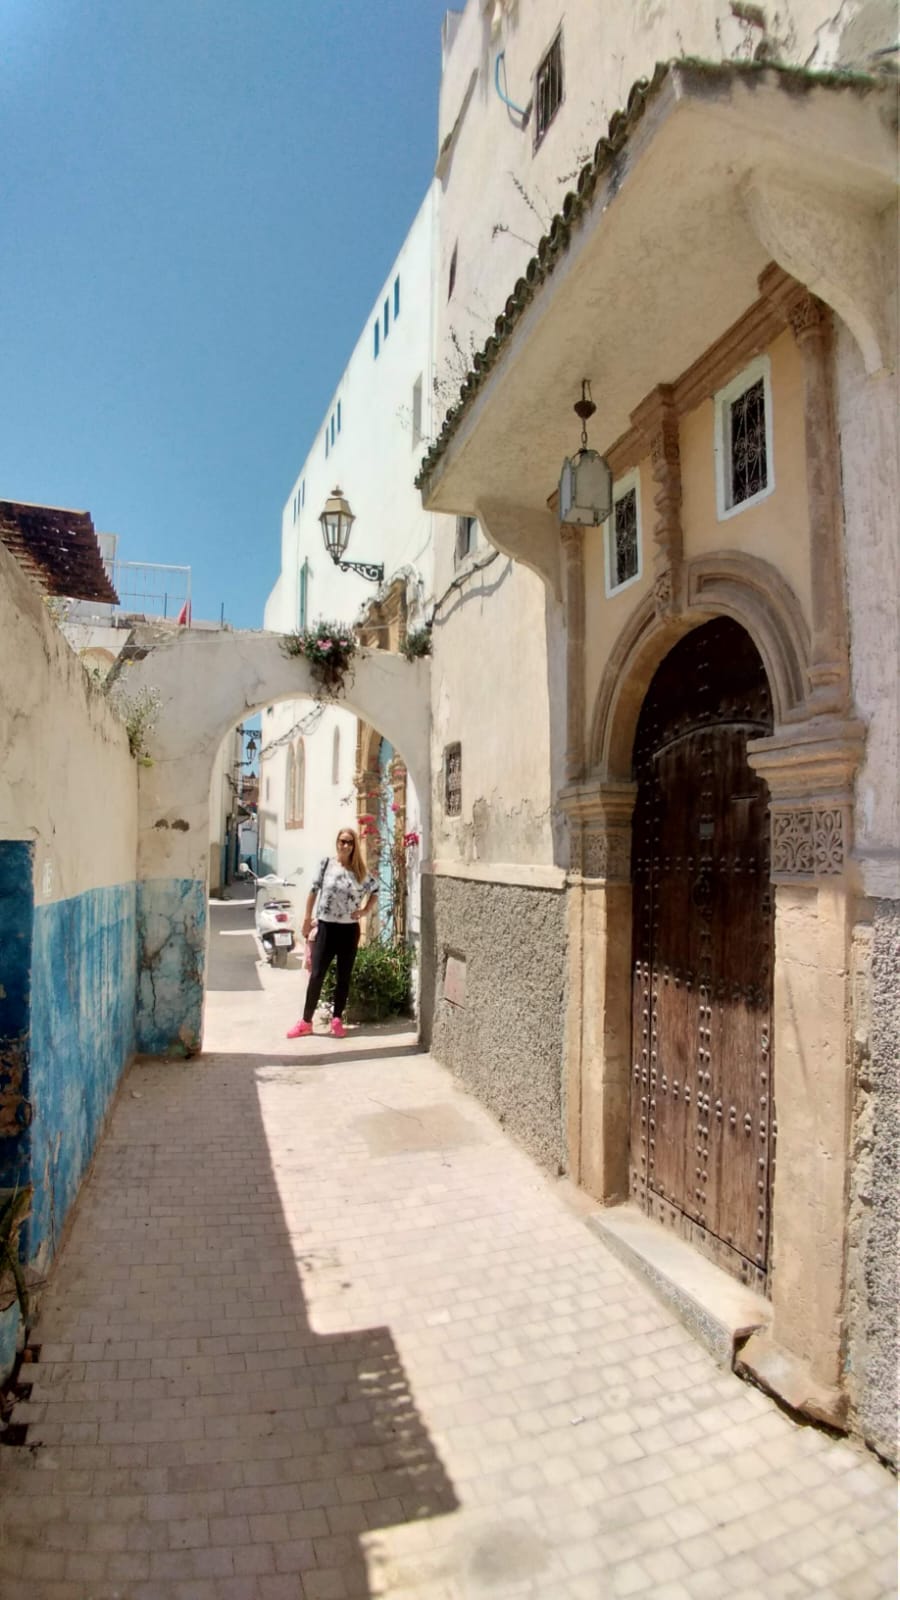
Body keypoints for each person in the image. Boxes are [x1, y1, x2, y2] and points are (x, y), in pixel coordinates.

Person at [286, 827, 378, 1039]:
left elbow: (374, 890)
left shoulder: (360, 872)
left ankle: (337, 1020)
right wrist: (307, 919)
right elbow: (313, 891)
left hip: (348, 930)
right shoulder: (326, 864)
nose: (344, 845)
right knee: (317, 974)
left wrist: (364, 911)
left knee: (343, 977)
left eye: (349, 842)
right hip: (326, 927)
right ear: (337, 842)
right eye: (342, 841)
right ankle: (306, 1021)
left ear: (354, 846)